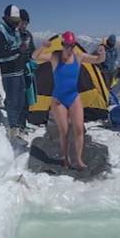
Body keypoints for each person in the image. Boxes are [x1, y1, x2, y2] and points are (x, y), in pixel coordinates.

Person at [33, 31, 106, 170]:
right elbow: (35, 57)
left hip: (73, 97)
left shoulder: (79, 56)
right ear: (62, 45)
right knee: (64, 131)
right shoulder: (55, 56)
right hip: (58, 99)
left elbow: (98, 60)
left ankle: (78, 160)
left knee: (79, 129)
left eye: (72, 45)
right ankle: (65, 158)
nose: (70, 48)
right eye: (67, 45)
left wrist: (102, 52)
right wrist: (43, 46)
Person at [0, 4, 29, 137]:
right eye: (14, 21)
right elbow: (0, 55)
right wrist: (19, 50)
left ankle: (18, 127)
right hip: (9, 73)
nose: (16, 24)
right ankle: (12, 130)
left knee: (20, 101)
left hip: (18, 70)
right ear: (6, 18)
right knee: (13, 101)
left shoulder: (14, 29)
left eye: (17, 21)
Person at [19, 9, 38, 114]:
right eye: (23, 23)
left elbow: (32, 50)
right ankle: (18, 121)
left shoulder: (28, 35)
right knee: (19, 95)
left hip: (27, 68)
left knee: (28, 94)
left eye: (26, 23)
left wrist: (32, 61)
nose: (24, 25)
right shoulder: (14, 35)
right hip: (18, 69)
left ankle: (25, 119)